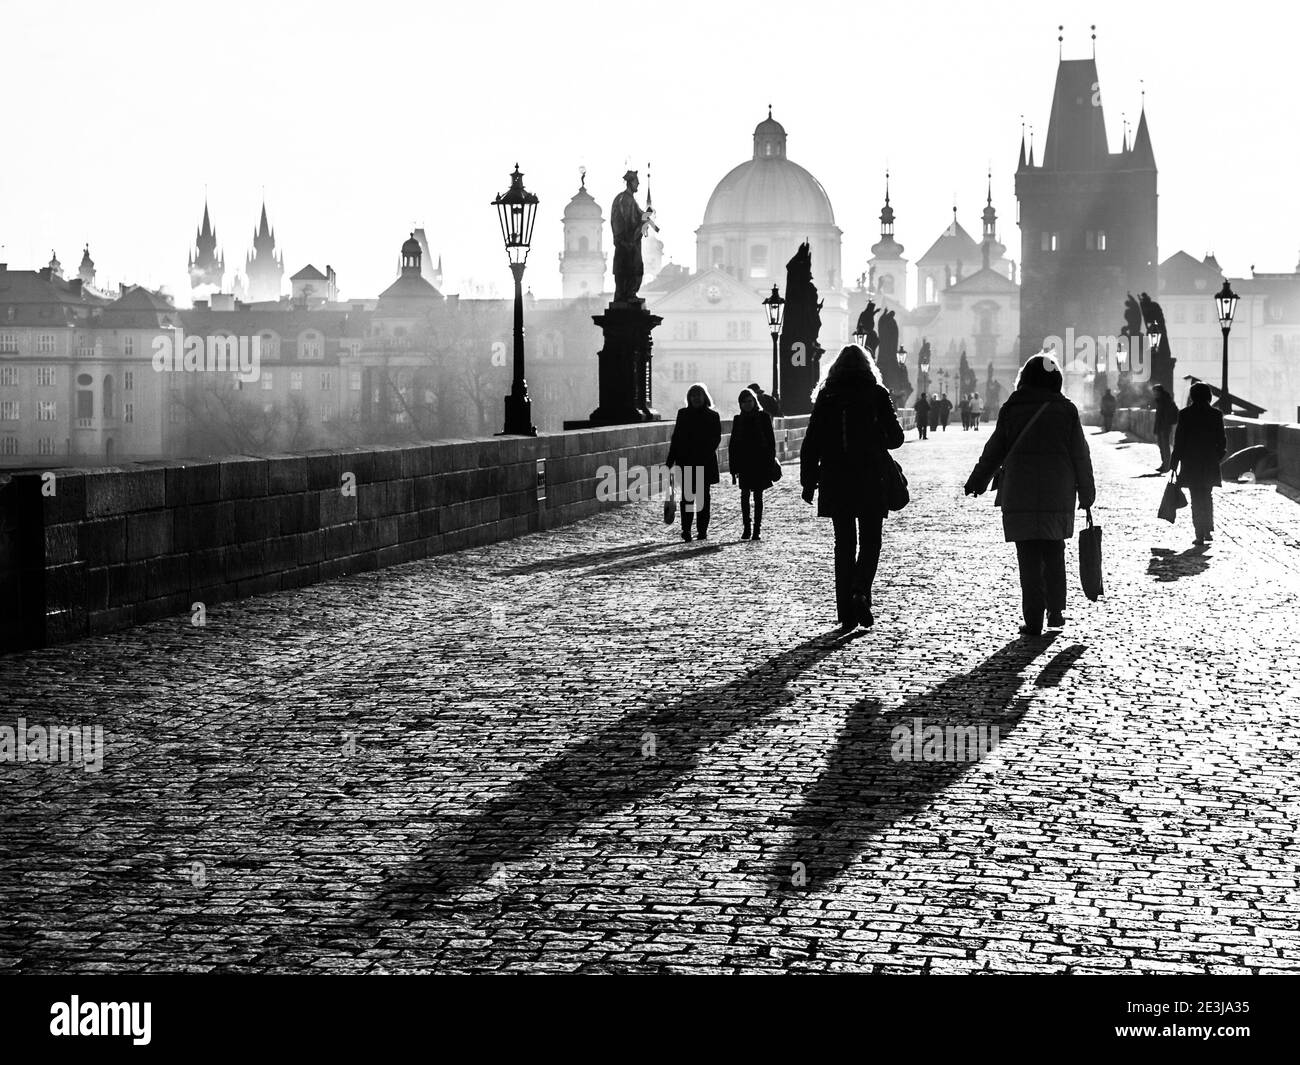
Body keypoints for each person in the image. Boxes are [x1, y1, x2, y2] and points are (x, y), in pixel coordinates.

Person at [964, 353, 1096, 637]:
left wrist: (977, 480)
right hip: (1057, 491)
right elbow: (1080, 455)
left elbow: (995, 450)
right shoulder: (1067, 410)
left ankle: (1033, 618)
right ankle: (1056, 610)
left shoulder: (1012, 408)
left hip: (1020, 490)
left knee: (1028, 556)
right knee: (1054, 549)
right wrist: (1087, 491)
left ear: (1025, 378)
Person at [800, 345, 905, 632]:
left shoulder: (827, 396)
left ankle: (846, 612)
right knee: (871, 541)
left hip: (836, 477)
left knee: (844, 544)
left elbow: (812, 442)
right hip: (871, 476)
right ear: (868, 367)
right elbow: (896, 438)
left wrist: (808, 482)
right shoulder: (877, 394)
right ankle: (861, 590)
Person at [1170, 382, 1227, 545]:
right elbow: (1222, 440)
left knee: (1196, 497)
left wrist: (1174, 463)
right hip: (1209, 461)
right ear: (1208, 396)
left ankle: (1199, 533)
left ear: (1192, 396)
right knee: (1207, 496)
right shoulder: (1216, 414)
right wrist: (1217, 456)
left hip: (1191, 462)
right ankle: (1208, 528)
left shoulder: (1185, 414)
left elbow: (1179, 440)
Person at [665, 383, 721, 542]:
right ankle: (686, 530)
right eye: (693, 395)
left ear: (704, 397)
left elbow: (715, 440)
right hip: (687, 461)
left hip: (704, 462)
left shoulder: (713, 416)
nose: (696, 398)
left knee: (702, 498)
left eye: (699, 395)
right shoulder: (682, 414)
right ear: (689, 398)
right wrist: (670, 461)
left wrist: (702, 453)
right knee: (687, 498)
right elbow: (676, 439)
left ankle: (702, 530)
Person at [729, 387, 777, 541]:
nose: (747, 404)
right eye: (744, 402)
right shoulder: (738, 419)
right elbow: (733, 445)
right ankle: (747, 527)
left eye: (749, 401)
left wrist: (770, 461)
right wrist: (733, 468)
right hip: (744, 462)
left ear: (754, 401)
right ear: (740, 404)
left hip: (760, 462)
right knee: (744, 495)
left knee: (758, 496)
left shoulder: (764, 417)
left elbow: (771, 442)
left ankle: (756, 529)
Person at [1150, 384, 1179, 472]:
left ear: (1159, 392)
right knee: (1162, 447)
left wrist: (1164, 426)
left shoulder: (1165, 401)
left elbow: (1166, 416)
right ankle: (1165, 464)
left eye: (1155, 392)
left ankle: (1167, 465)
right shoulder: (1160, 400)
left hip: (1164, 428)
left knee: (1165, 447)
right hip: (1161, 427)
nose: (1154, 394)